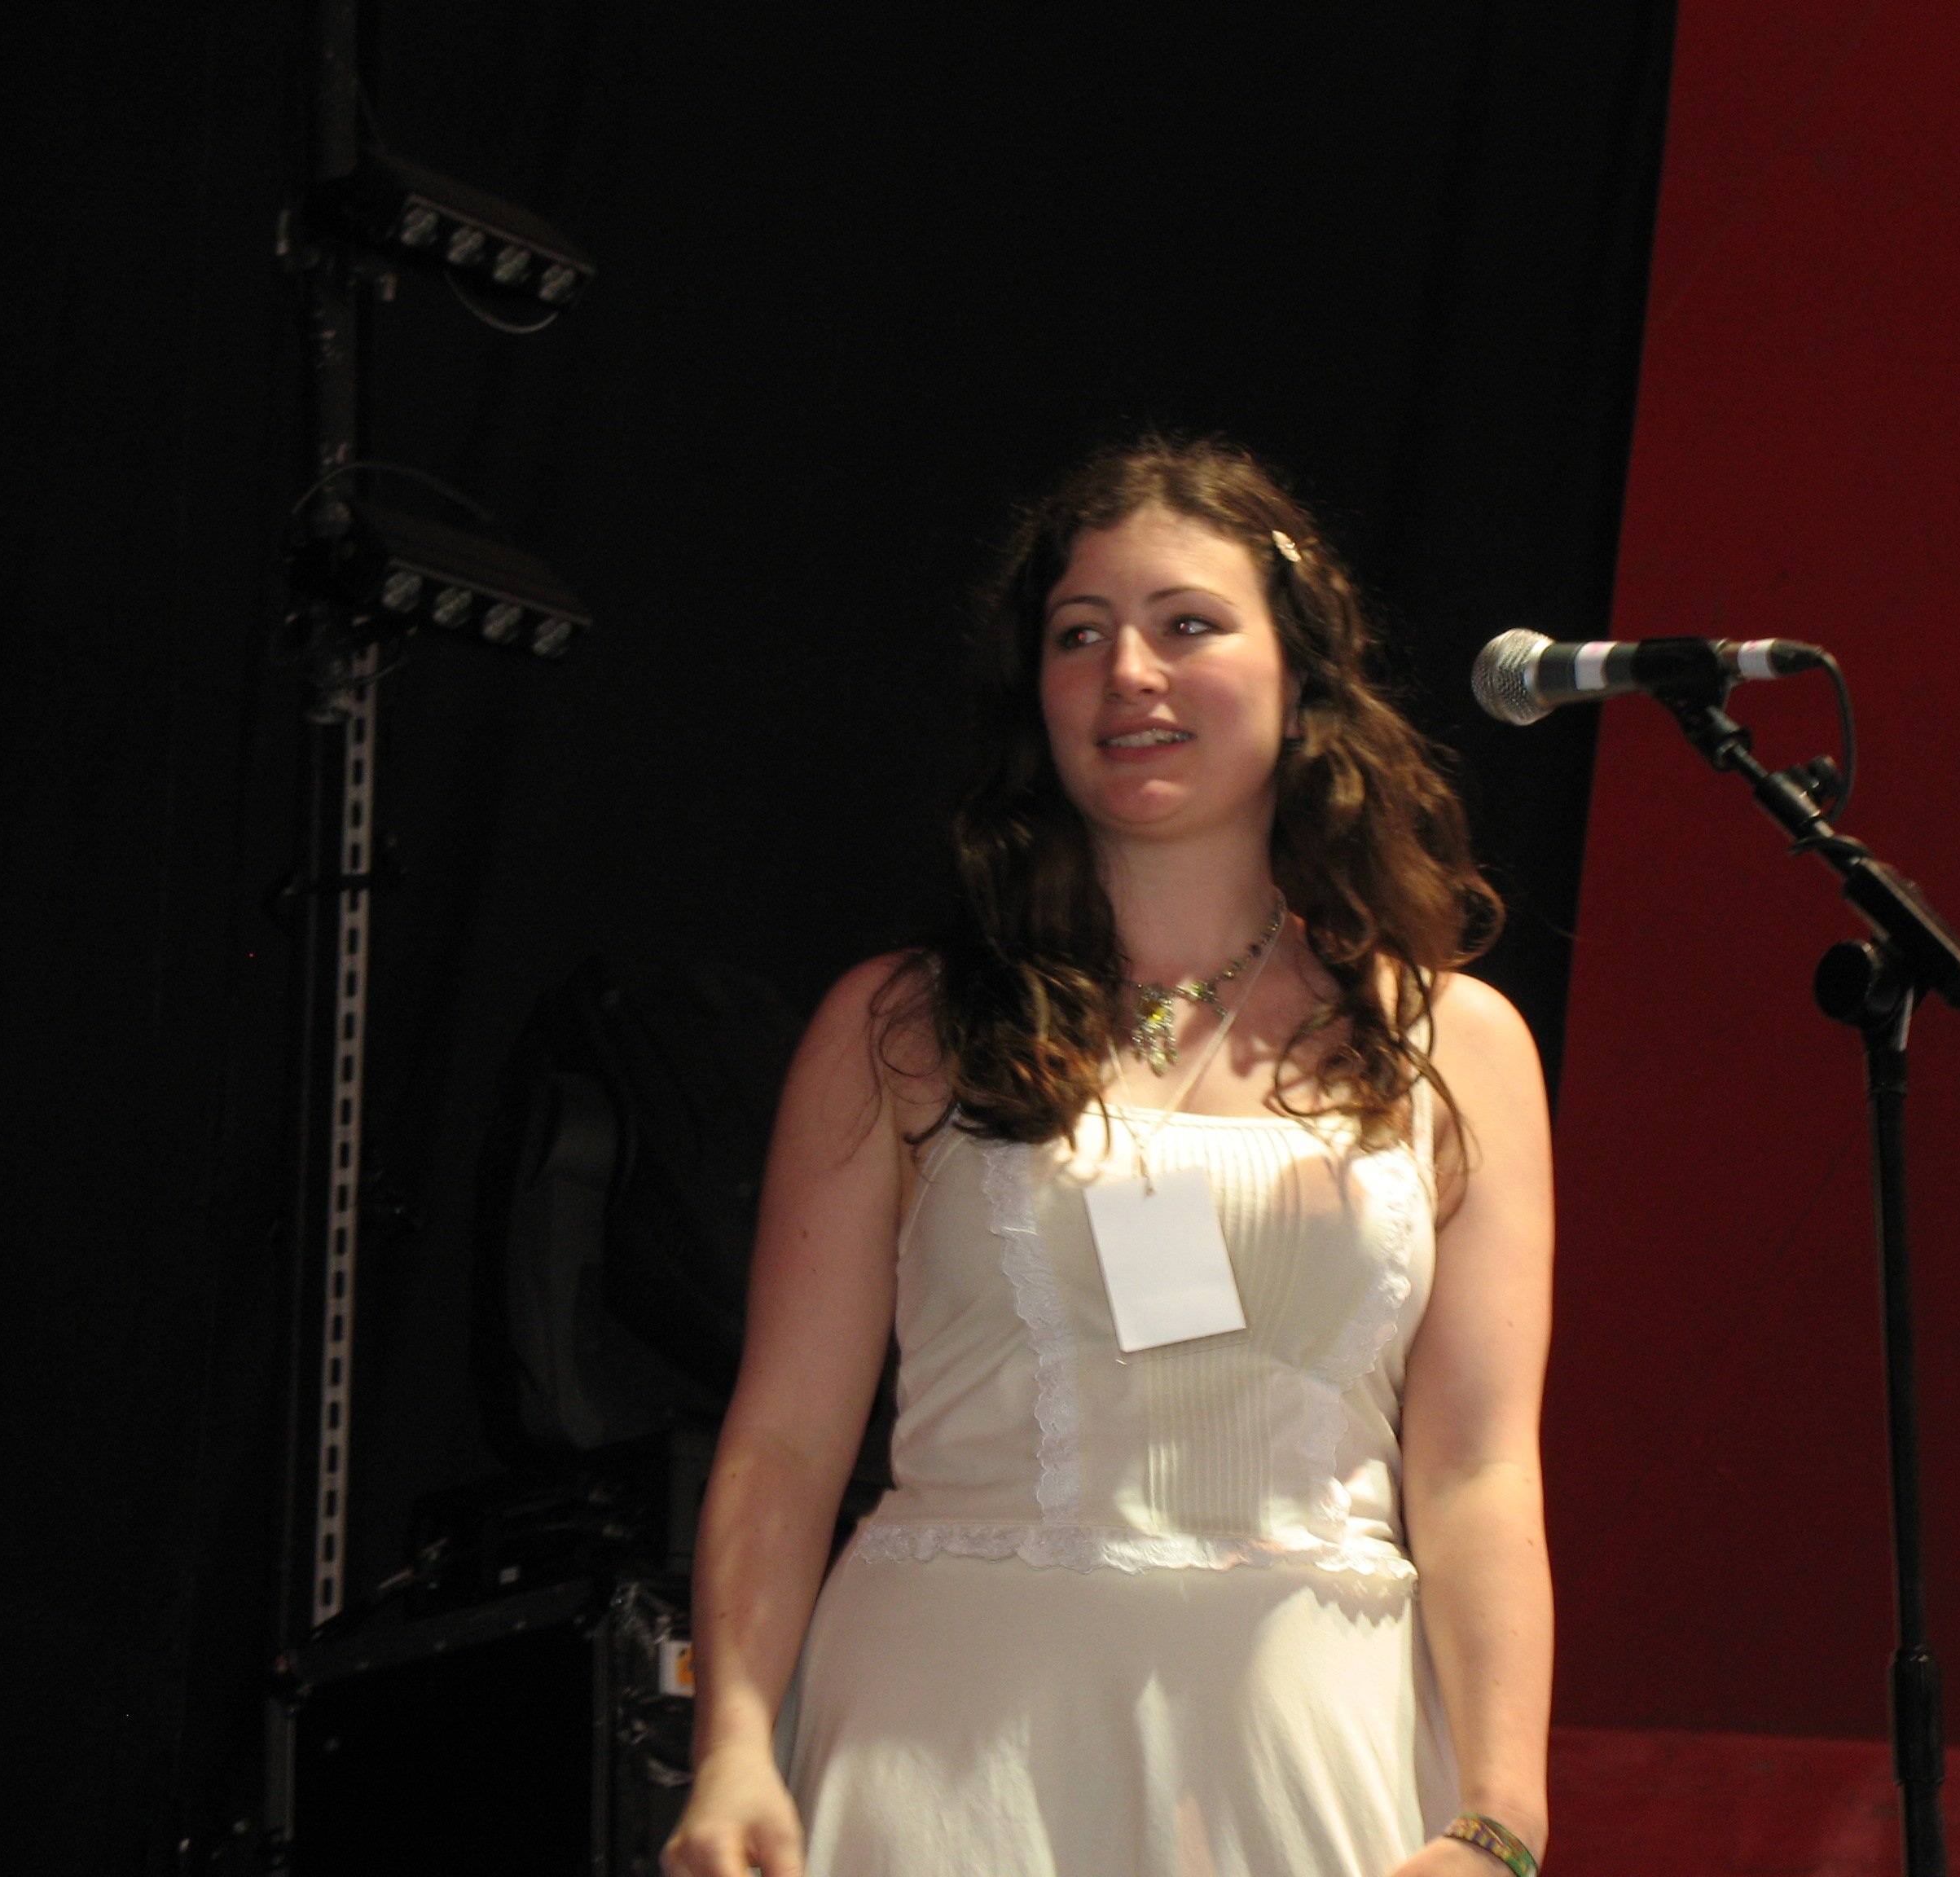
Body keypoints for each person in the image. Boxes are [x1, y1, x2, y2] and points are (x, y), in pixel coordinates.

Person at [664, 436, 1555, 1877]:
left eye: (1186, 624)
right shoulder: (904, 1028)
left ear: (1300, 675)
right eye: (1080, 636)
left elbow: (1478, 1472)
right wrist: (734, 1746)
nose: (1129, 672)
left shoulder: (1454, 1039)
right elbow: (781, 1441)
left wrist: (1501, 1815)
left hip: (1309, 1735)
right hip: (949, 1734)